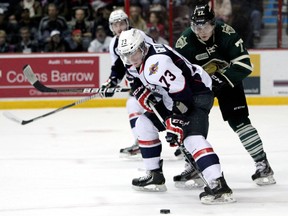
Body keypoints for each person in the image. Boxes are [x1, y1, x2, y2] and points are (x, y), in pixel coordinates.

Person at [117, 28, 236, 204]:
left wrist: (174, 120)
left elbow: (184, 98)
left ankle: (218, 184)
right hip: (172, 97)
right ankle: (154, 175)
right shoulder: (135, 59)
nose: (131, 58)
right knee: (143, 124)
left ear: (142, 46)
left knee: (191, 138)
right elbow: (135, 81)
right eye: (126, 54)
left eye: (133, 52)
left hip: (196, 95)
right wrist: (141, 93)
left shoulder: (156, 64)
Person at [174, 4, 275, 188]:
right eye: (197, 26)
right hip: (200, 87)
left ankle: (263, 164)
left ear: (214, 23)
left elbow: (245, 65)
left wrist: (221, 79)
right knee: (190, 124)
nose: (201, 31)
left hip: (228, 82)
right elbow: (178, 74)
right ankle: (193, 165)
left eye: (205, 26)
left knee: (240, 122)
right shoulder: (185, 42)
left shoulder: (226, 33)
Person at [100, 9, 154, 158]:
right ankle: (141, 141)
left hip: (156, 79)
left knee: (169, 113)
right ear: (111, 28)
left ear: (127, 24)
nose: (119, 28)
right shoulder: (114, 44)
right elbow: (118, 68)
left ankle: (186, 144)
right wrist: (111, 83)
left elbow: (155, 54)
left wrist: (146, 81)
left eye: (122, 23)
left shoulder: (139, 35)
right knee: (132, 104)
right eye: (115, 25)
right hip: (142, 84)